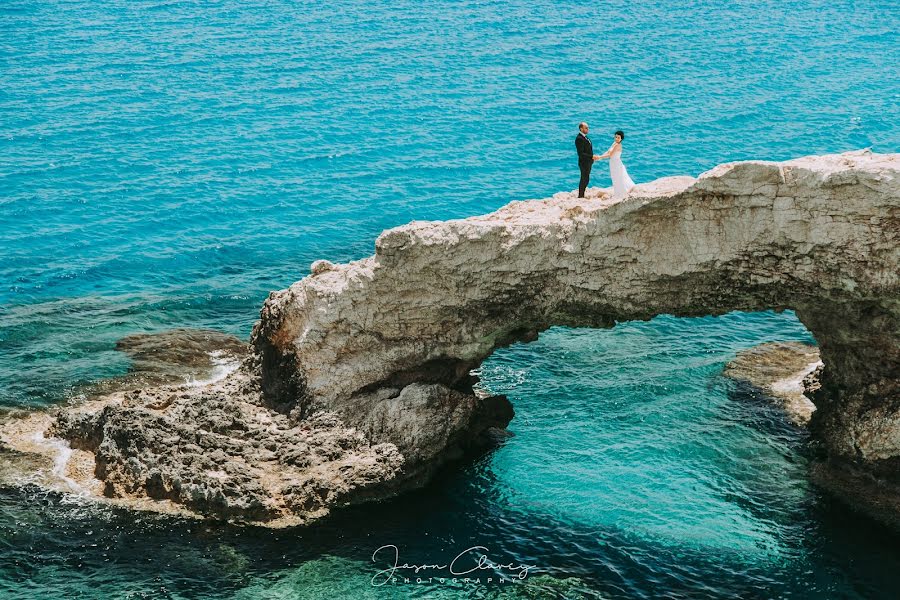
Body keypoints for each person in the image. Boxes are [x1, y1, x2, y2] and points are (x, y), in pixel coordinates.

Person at [597, 130, 635, 199]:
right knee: (614, 177)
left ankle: (621, 193)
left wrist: (599, 157)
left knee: (618, 178)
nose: (616, 139)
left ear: (621, 139)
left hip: (616, 163)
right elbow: (608, 151)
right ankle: (617, 192)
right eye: (616, 137)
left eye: (618, 137)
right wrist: (600, 156)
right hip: (612, 163)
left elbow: (610, 154)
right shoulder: (614, 143)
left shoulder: (618, 145)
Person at [575, 122, 600, 198]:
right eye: (586, 128)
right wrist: (591, 156)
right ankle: (580, 196)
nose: (587, 129)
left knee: (586, 179)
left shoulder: (585, 137)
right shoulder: (579, 139)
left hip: (588, 162)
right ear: (581, 129)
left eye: (588, 128)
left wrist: (591, 158)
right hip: (583, 162)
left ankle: (582, 194)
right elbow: (581, 153)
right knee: (584, 179)